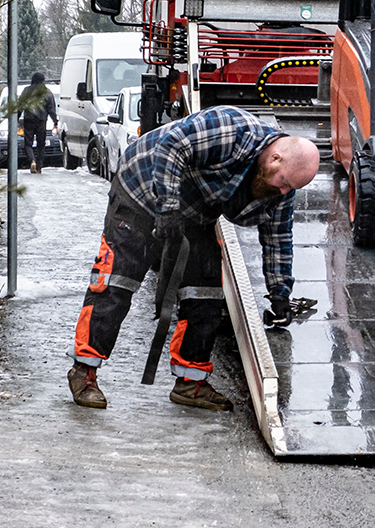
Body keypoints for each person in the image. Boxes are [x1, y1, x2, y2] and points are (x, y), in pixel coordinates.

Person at [68, 106, 320, 413]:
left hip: (193, 210)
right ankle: (85, 372)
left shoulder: (282, 189)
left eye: (290, 188)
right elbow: (171, 145)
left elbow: (278, 240)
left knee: (206, 292)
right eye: (282, 181)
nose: (282, 190)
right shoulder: (232, 128)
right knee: (118, 280)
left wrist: (280, 294)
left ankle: (190, 383)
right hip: (142, 189)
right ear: (275, 157)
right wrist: (168, 208)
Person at [18, 72, 58, 174]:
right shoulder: (47, 92)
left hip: (29, 120)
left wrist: (16, 119)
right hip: (41, 122)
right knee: (41, 144)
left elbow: (20, 106)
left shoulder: (27, 91)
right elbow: (51, 109)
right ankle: (39, 166)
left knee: (28, 144)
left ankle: (32, 160)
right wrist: (55, 122)